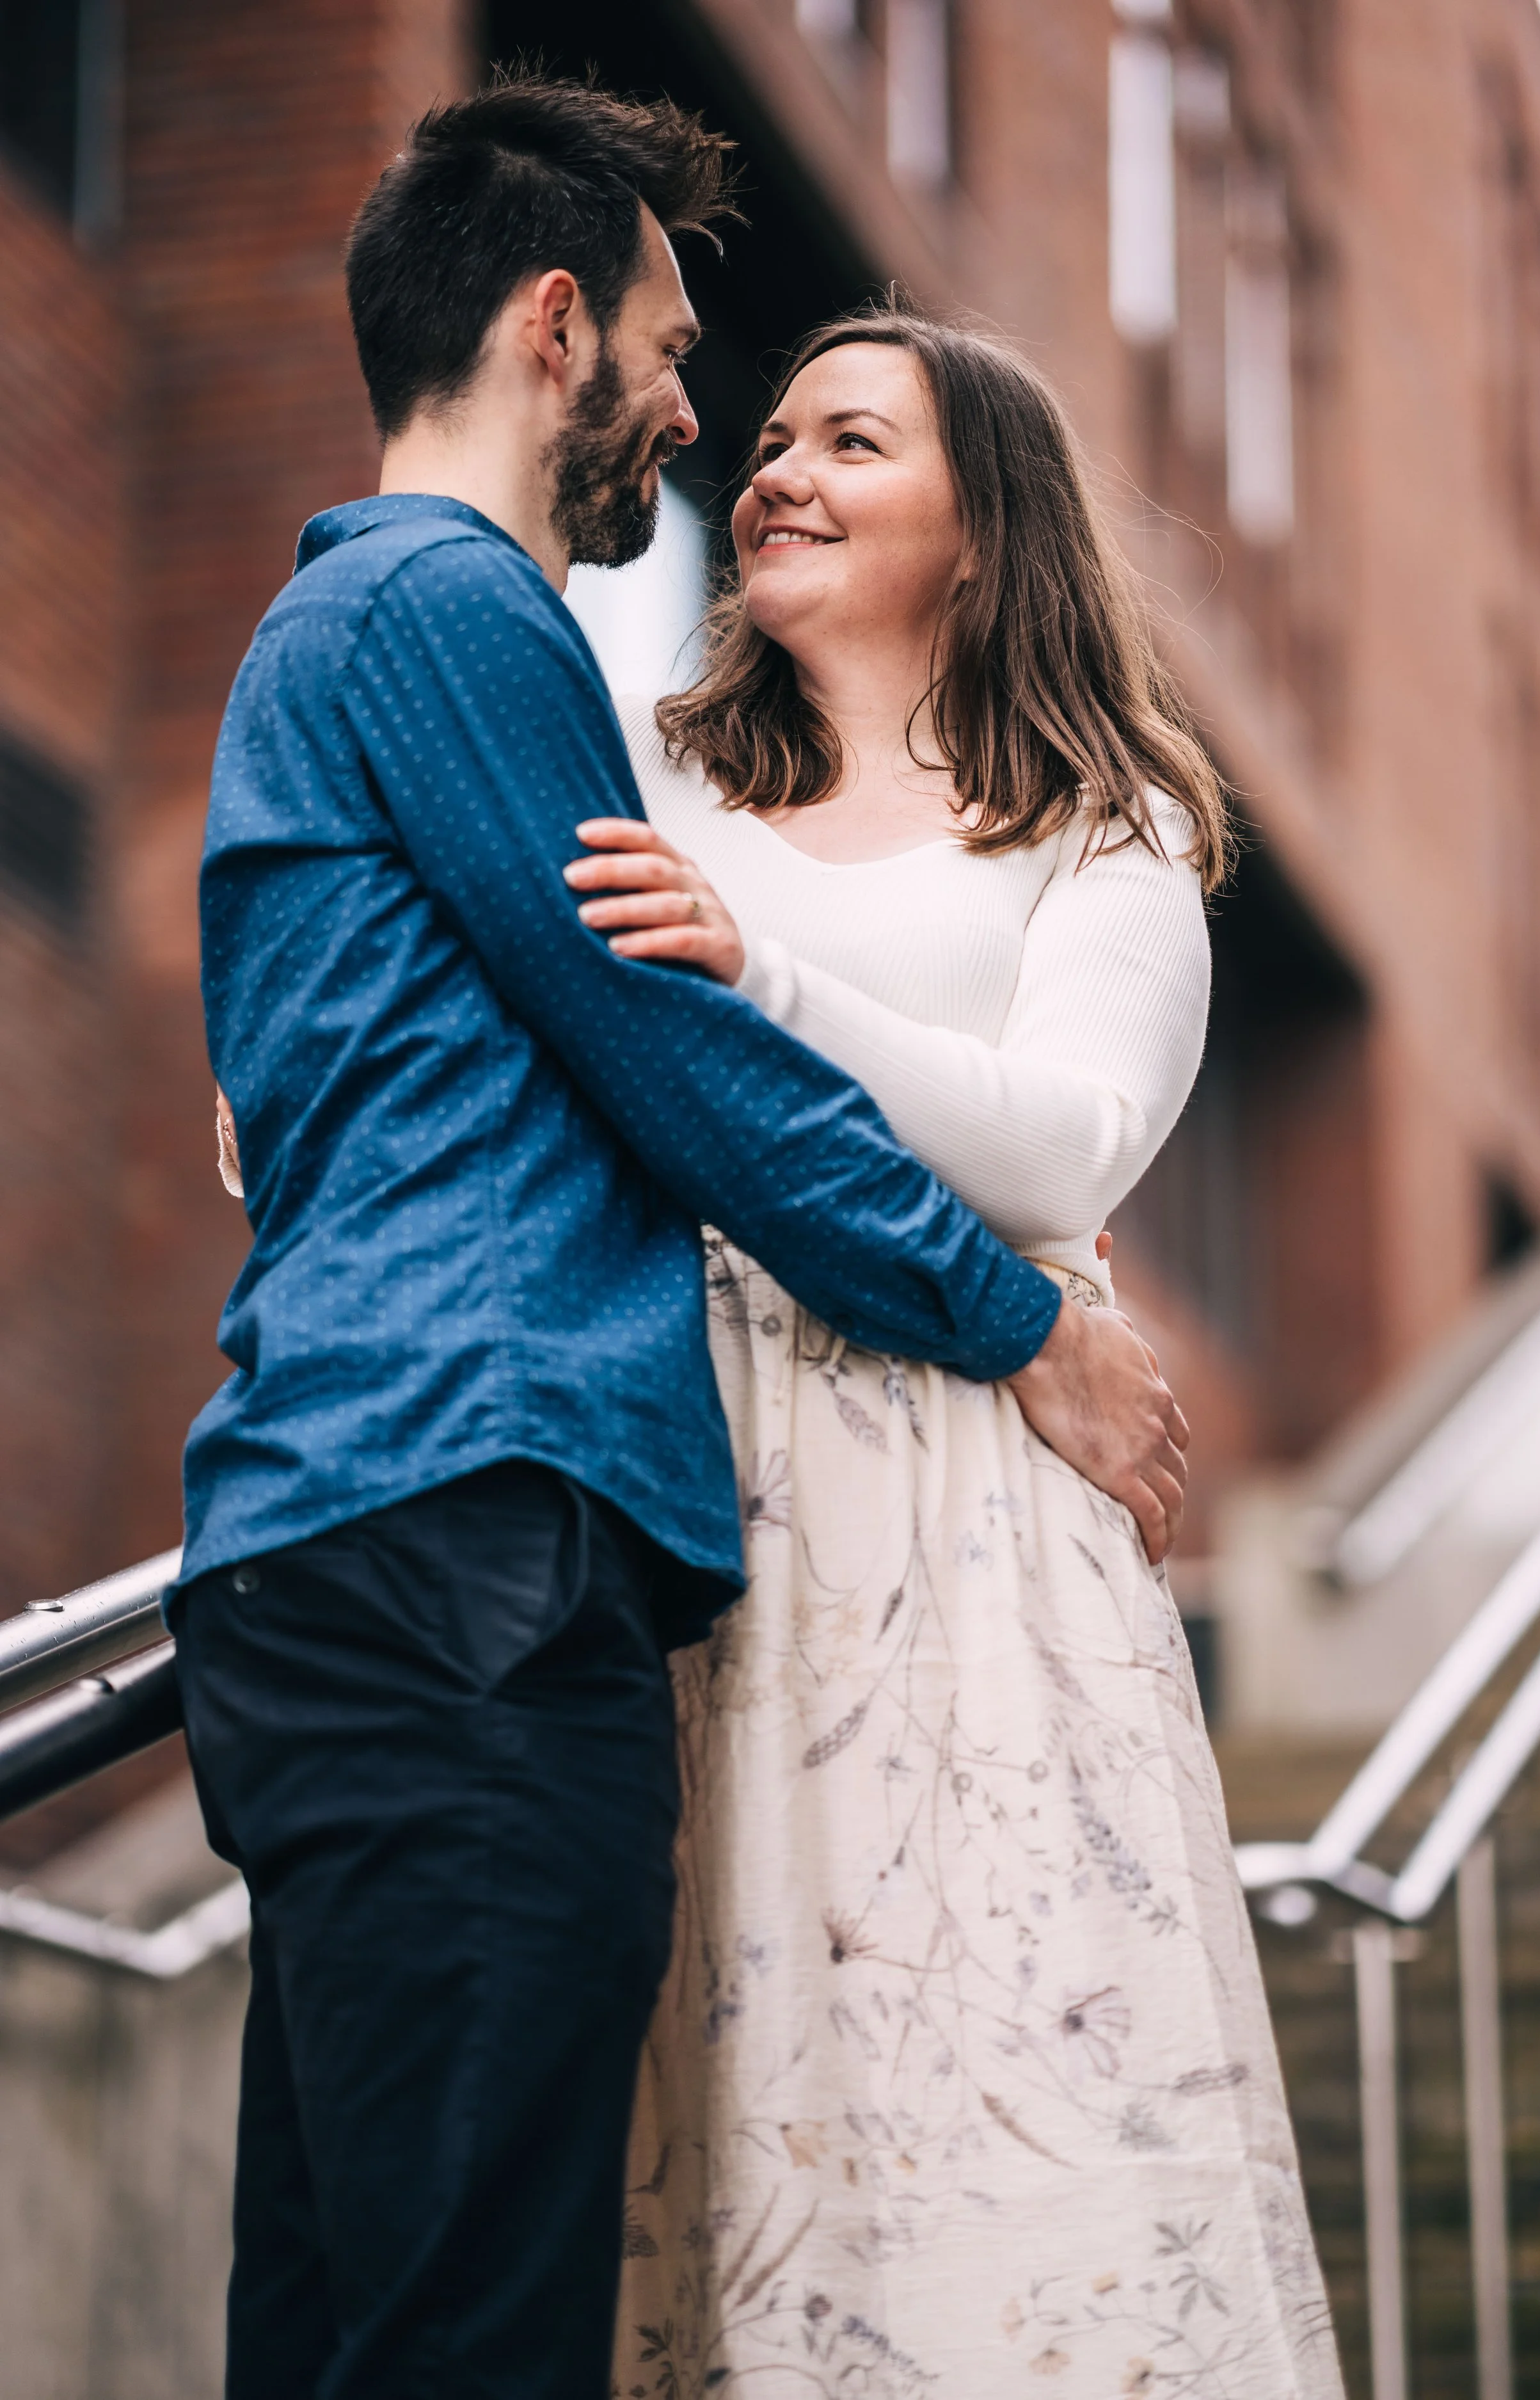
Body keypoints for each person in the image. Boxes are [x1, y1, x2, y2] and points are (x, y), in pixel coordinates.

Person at [174, 80, 1189, 2400]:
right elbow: (683, 1071)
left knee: (346, 2318)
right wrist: (1013, 1313)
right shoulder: (458, 611)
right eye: (660, 341)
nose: (686, 406)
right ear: (551, 326)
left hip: (360, 1546)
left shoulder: (353, 636)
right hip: (466, 1550)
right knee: (471, 2334)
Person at [574, 315, 1345, 2396]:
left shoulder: (1105, 829)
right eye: (766, 440)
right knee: (720, 2080)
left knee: (994, 2042)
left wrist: (759, 970)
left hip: (970, 1505)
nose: (774, 472)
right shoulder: (652, 772)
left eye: (850, 439)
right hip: (686, 1474)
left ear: (986, 532)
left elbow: (1066, 1137)